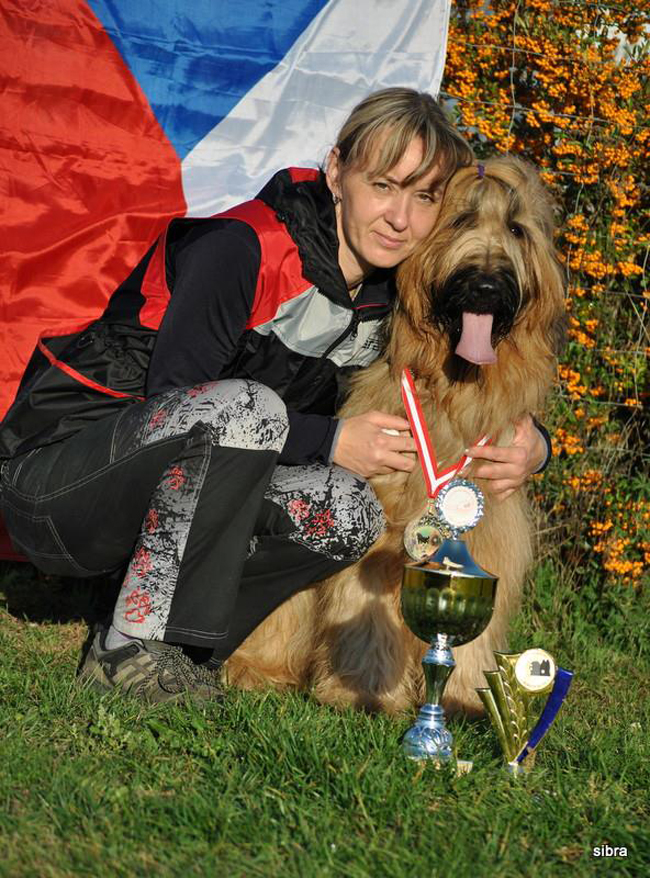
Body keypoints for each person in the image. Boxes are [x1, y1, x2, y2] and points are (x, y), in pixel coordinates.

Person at [0, 88, 550, 702]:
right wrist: (334, 437)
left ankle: (190, 644)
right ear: (337, 172)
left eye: (423, 197)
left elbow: (455, 386)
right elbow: (182, 401)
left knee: (350, 510)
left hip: (178, 493)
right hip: (58, 489)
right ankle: (124, 651)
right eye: (384, 186)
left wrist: (536, 446)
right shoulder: (241, 248)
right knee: (244, 409)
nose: (400, 217)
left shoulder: (389, 288)